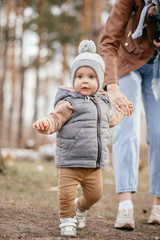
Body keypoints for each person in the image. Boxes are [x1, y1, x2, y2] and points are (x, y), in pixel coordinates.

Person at [32, 40, 133, 237]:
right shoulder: (69, 103)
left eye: (91, 77)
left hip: (94, 164)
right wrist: (45, 125)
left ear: (100, 80)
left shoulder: (103, 103)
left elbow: (111, 120)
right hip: (70, 162)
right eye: (80, 76)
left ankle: (80, 208)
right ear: (73, 79)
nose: (85, 81)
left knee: (96, 195)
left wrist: (123, 111)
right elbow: (55, 119)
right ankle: (67, 219)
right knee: (66, 195)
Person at [100, 0, 160, 230]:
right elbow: (108, 42)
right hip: (128, 62)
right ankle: (125, 204)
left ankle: (158, 204)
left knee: (158, 132)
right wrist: (112, 86)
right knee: (127, 127)